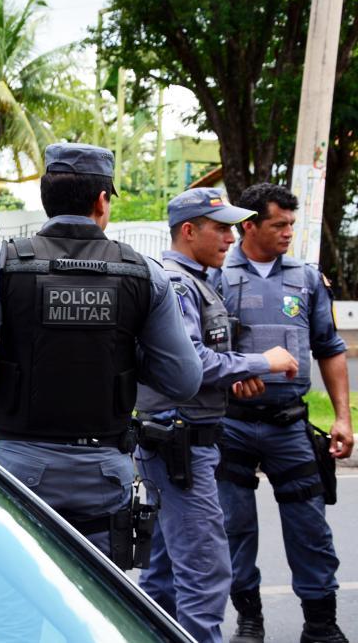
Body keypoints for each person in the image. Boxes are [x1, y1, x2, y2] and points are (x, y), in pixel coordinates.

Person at [0, 142, 202, 561]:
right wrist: (123, 347)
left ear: (46, 198)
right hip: (104, 473)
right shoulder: (144, 274)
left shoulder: (4, 265)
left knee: (15, 597)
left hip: (22, 468)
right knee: (95, 598)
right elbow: (184, 381)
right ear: (102, 200)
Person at [134, 187, 300, 643]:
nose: (231, 238)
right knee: (205, 575)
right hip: (180, 444)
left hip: (179, 440)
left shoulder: (195, 280)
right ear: (189, 231)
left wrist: (234, 376)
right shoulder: (177, 283)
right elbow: (191, 363)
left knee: (163, 575)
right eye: (221, 228)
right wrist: (262, 362)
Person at [214, 183, 353, 643]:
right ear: (249, 226)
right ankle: (249, 620)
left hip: (290, 425)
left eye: (291, 224)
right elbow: (197, 351)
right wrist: (230, 377)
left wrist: (342, 417)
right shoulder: (216, 275)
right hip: (231, 424)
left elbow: (329, 348)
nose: (289, 232)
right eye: (279, 224)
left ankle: (321, 624)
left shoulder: (307, 279)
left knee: (310, 528)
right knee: (234, 528)